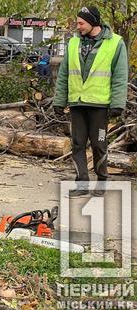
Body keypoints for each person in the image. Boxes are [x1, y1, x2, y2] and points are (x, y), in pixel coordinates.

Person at [53, 6, 128, 197]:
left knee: (98, 144)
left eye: (81, 23)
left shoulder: (115, 43)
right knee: (77, 144)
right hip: (77, 103)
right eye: (77, 22)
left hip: (100, 105)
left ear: (93, 22)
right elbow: (64, 75)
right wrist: (59, 101)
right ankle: (81, 185)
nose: (77, 26)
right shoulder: (73, 43)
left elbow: (120, 76)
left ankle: (102, 182)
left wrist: (117, 104)